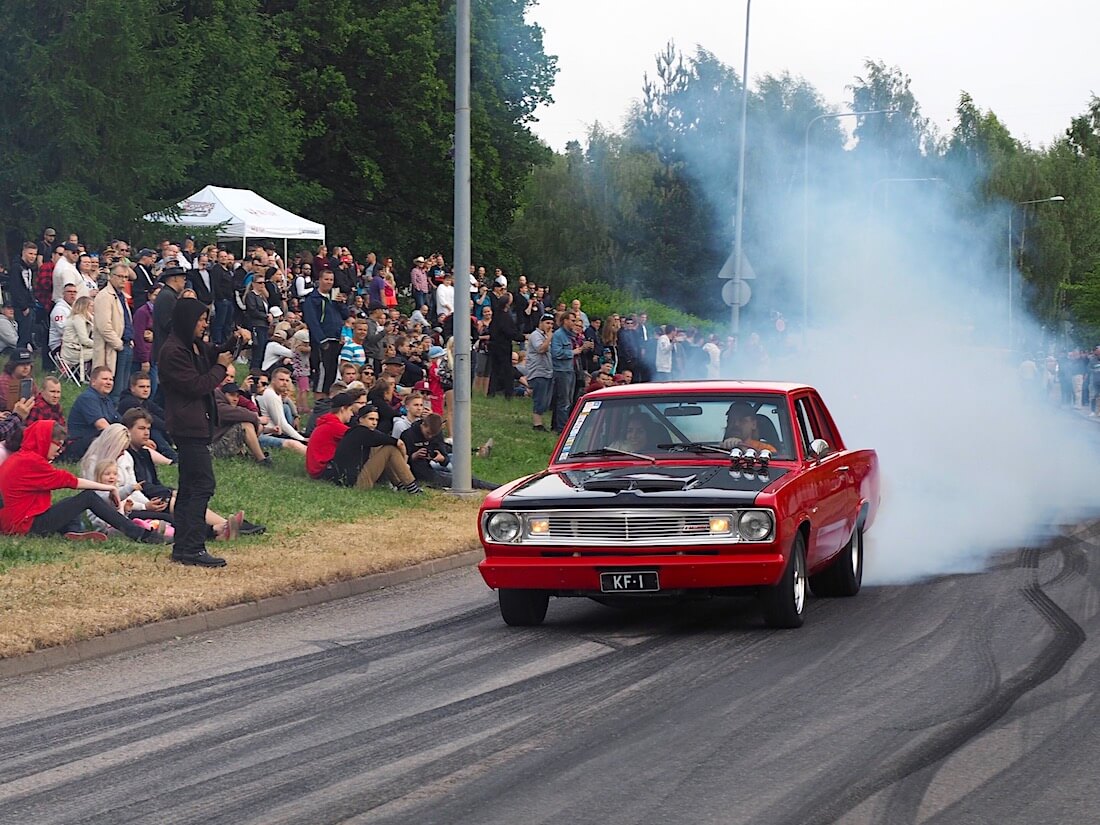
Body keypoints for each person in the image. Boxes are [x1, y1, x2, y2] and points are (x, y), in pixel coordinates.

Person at [158, 298, 240, 567]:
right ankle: (193, 547)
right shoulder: (173, 351)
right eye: (201, 320)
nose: (205, 325)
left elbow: (215, 353)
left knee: (189, 488)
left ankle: (183, 547)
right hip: (186, 426)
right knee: (202, 485)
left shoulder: (192, 345)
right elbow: (197, 385)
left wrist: (235, 342)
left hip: (197, 424)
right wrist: (221, 368)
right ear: (187, 320)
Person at [0, 420, 167, 543]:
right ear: (43, 440)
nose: (60, 450)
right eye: (57, 444)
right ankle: (141, 535)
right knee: (87, 497)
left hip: (15, 523)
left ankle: (74, 533)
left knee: (69, 504)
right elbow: (71, 481)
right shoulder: (32, 462)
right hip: (24, 526)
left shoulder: (22, 457)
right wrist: (110, 488)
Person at [327, 404, 421, 491]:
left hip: (345, 480)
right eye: (371, 419)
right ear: (361, 419)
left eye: (376, 420)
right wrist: (404, 461)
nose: (374, 423)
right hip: (355, 483)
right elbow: (399, 443)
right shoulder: (362, 432)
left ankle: (400, 484)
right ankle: (411, 486)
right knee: (390, 449)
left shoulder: (354, 432)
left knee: (381, 447)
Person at [93, 263, 136, 401]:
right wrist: (119, 344)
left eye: (126, 277)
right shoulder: (104, 296)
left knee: (123, 389)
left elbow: (126, 321)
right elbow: (104, 326)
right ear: (111, 277)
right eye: (120, 277)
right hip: (115, 347)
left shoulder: (122, 296)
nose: (123, 280)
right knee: (114, 390)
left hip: (127, 344)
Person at [303, 269, 349, 394]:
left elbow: (345, 315)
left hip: (336, 340)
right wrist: (322, 340)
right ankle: (319, 404)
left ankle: (327, 403)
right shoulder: (312, 299)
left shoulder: (334, 298)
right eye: (326, 279)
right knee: (321, 373)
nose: (329, 282)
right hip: (322, 341)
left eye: (331, 280)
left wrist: (341, 304)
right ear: (320, 280)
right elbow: (312, 322)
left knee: (331, 373)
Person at [487, 293, 525, 398]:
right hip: (503, 347)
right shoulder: (505, 317)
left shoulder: (496, 315)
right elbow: (509, 331)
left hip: (494, 345)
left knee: (494, 370)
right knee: (507, 371)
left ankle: (491, 392)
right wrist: (521, 337)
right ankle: (508, 394)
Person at [526, 313, 554, 431]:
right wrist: (549, 338)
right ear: (540, 323)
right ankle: (537, 424)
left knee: (545, 400)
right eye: (547, 323)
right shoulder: (535, 335)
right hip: (538, 371)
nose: (550, 326)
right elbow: (541, 349)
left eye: (552, 324)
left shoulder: (546, 335)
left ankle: (540, 422)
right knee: (540, 399)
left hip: (548, 370)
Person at [61, 296, 95, 376]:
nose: (93, 308)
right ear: (84, 306)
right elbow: (84, 340)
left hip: (77, 348)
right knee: (101, 352)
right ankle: (94, 376)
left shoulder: (85, 318)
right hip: (72, 351)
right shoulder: (78, 318)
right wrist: (99, 344)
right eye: (91, 306)